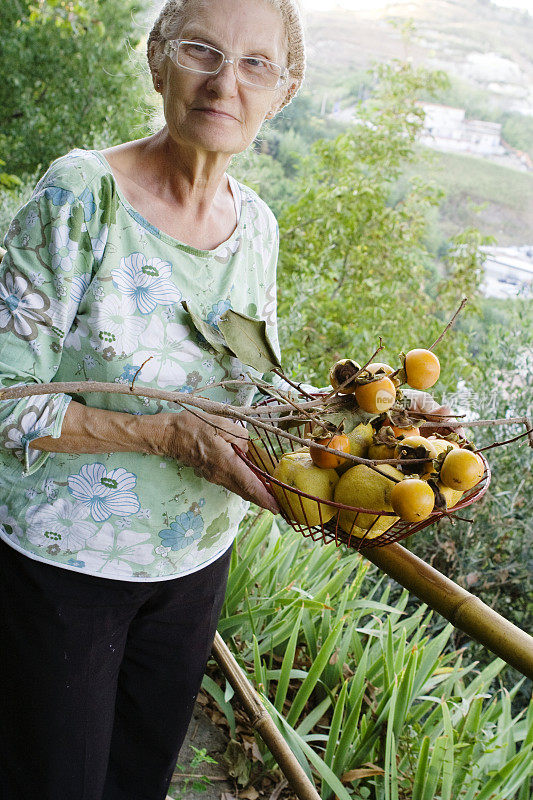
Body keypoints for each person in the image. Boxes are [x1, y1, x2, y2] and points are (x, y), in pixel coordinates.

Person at [0, 0, 305, 797]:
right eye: (200, 50)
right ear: (156, 60)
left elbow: (248, 387)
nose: (223, 82)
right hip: (61, 566)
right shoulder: (81, 194)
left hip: (194, 563)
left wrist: (352, 427)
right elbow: (3, 398)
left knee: (139, 779)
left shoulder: (258, 226)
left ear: (284, 90)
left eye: (254, 64)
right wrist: (164, 436)